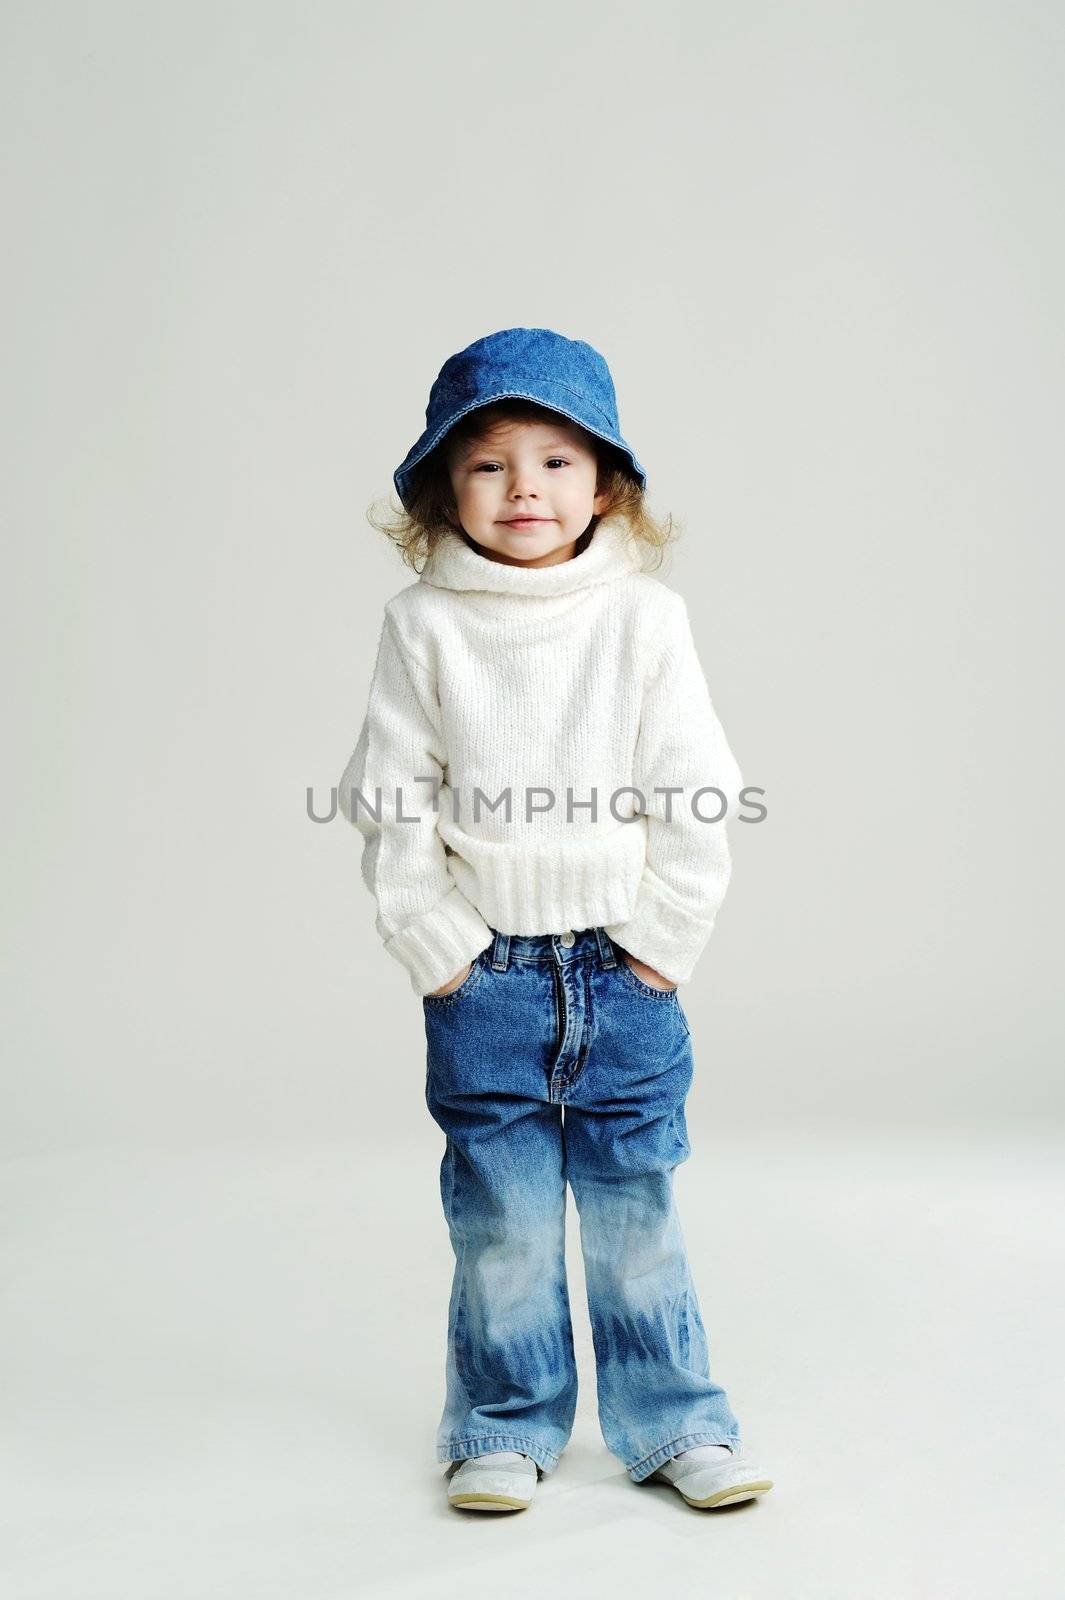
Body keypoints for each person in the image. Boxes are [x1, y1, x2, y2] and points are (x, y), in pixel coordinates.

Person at [337, 327, 773, 1514]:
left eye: (556, 461)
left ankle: (675, 1421)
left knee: (636, 1216)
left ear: (607, 486)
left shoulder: (643, 619)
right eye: (487, 464)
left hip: (620, 973)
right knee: (504, 1227)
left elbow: (695, 788)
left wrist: (658, 950)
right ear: (441, 491)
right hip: (488, 981)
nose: (523, 487)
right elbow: (389, 798)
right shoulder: (423, 626)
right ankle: (501, 1423)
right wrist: (440, 954)